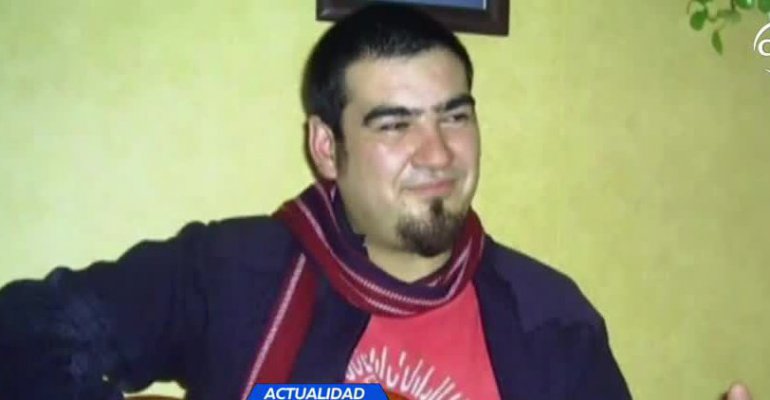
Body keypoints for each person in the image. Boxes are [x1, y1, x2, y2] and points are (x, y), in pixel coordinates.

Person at [0, 3, 753, 400]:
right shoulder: (229, 273)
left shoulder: (551, 318)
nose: (439, 153)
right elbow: (21, 337)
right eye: (395, 124)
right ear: (327, 147)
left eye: (455, 116)